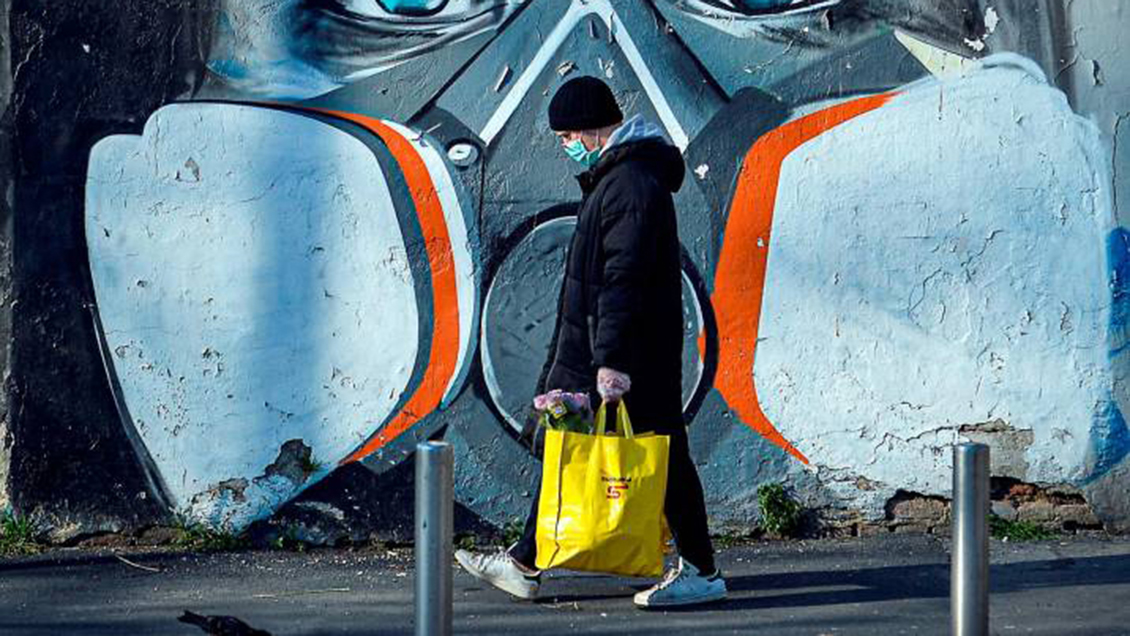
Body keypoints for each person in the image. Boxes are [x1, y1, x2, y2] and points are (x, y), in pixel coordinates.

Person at [455, 76, 726, 608]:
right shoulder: (620, 179)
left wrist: (612, 362)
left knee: (661, 457)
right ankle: (525, 562)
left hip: (631, 356)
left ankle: (701, 571)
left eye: (566, 137)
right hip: (617, 348)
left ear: (588, 129)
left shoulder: (630, 185)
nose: (565, 147)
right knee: (571, 444)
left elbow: (624, 278)